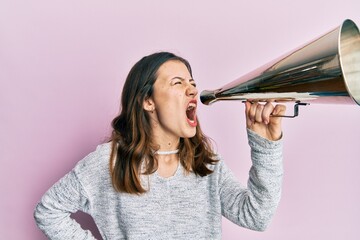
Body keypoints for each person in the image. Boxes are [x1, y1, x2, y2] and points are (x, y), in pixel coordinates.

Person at [34, 52, 286, 239]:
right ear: (148, 101)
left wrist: (265, 145)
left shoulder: (205, 162)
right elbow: (49, 210)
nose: (192, 90)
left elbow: (257, 217)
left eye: (192, 83)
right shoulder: (108, 162)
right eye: (178, 83)